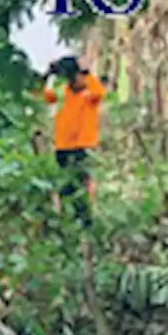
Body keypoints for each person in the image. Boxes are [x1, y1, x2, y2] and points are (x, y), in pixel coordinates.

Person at [43, 56, 106, 228]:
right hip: (63, 146)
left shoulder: (89, 93)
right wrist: (49, 75)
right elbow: (43, 95)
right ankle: (69, 222)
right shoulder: (63, 92)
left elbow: (99, 92)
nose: (73, 81)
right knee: (66, 187)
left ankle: (87, 221)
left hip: (83, 146)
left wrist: (86, 72)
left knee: (82, 185)